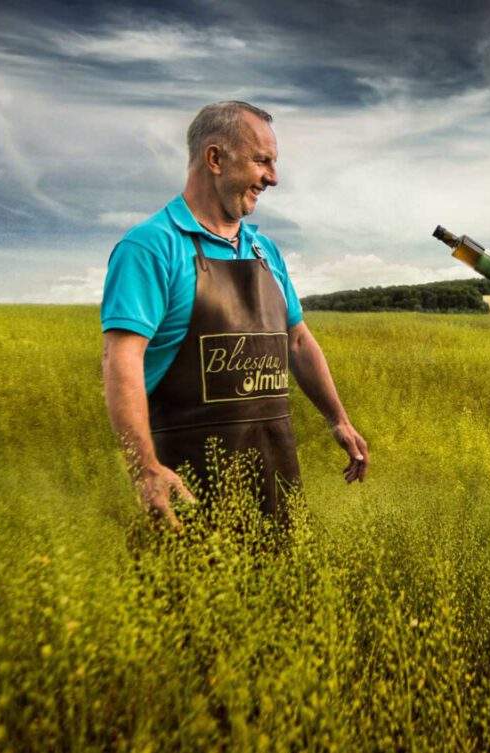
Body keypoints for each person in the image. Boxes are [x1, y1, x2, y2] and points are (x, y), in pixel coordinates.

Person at [101, 101, 368, 530]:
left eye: (274, 163)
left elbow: (297, 340)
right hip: (184, 491)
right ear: (215, 158)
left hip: (275, 481)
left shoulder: (265, 251)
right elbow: (121, 359)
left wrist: (338, 419)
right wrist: (143, 468)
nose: (273, 178)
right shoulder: (151, 247)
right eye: (262, 161)